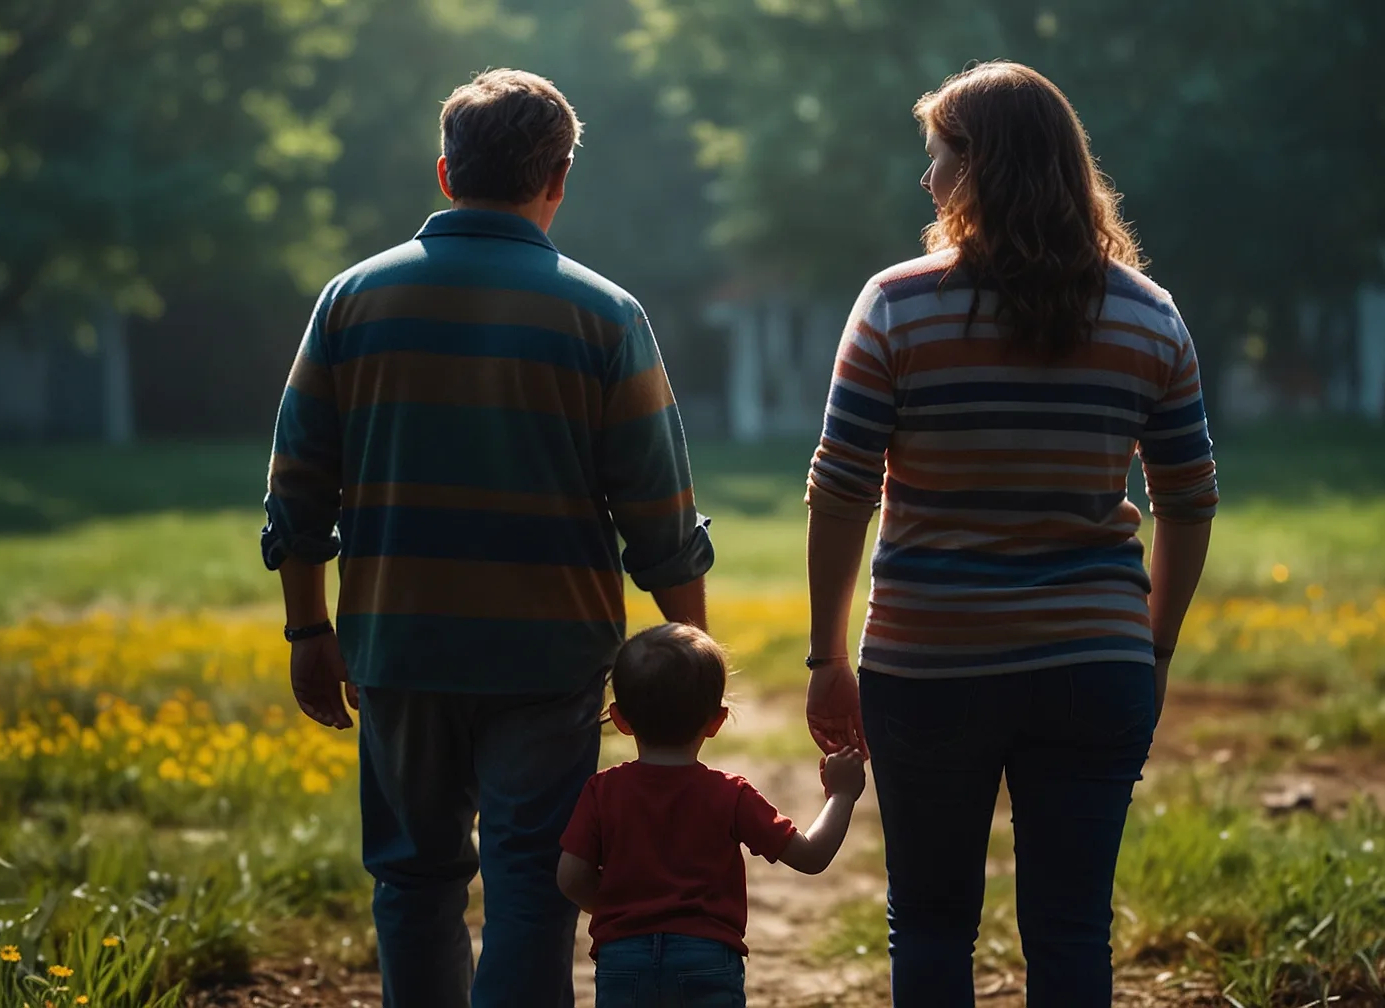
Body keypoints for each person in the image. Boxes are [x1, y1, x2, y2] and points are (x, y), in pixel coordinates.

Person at [260, 69, 715, 1008]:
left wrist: (310, 632)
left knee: (414, 880)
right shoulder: (605, 315)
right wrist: (685, 663)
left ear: (443, 172)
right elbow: (659, 513)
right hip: (547, 658)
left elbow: (297, 489)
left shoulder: (349, 302)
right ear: (557, 180)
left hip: (398, 644)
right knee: (530, 890)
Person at [802, 62, 1218, 1007]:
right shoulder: (1150, 316)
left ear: (981, 168)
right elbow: (1190, 499)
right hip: (1094, 662)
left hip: (928, 663)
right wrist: (1152, 645)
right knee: (1073, 931)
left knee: (934, 922)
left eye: (939, 157)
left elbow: (839, 491)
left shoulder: (896, 305)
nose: (927, 180)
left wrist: (828, 653)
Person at [556, 623, 866, 1006]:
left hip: (623, 958)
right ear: (716, 721)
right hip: (706, 959)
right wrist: (842, 794)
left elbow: (570, 877)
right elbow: (811, 856)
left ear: (620, 720)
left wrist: (618, 909)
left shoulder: (601, 791)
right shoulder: (729, 794)